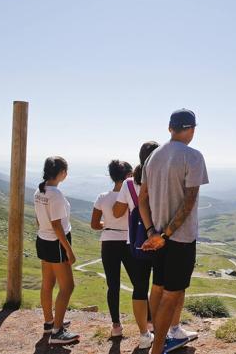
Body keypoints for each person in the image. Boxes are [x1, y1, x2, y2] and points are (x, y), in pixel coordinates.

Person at [140, 109, 208, 354]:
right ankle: (158, 349)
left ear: (170, 128)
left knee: (158, 287)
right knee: (172, 294)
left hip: (157, 237)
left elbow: (142, 198)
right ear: (191, 129)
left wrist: (151, 232)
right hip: (179, 238)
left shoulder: (153, 156)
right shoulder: (193, 156)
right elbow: (188, 202)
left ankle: (155, 344)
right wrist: (166, 235)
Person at [112, 141, 158, 349]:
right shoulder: (160, 182)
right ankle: (161, 327)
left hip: (137, 244)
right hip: (160, 242)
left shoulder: (129, 184)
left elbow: (117, 212)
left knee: (140, 288)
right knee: (161, 287)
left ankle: (143, 334)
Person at [34, 156, 80, 344]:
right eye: (65, 171)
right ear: (61, 173)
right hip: (56, 242)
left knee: (48, 283)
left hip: (42, 238)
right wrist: (68, 250)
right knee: (67, 286)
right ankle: (57, 332)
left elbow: (39, 219)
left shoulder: (39, 190)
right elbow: (57, 225)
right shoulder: (56, 195)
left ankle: (49, 323)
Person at [90, 160, 135, 338]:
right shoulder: (131, 196)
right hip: (128, 241)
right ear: (127, 176)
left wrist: (108, 224)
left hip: (108, 242)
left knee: (113, 285)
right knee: (138, 282)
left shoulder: (102, 197)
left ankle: (116, 326)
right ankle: (148, 320)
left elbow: (94, 224)